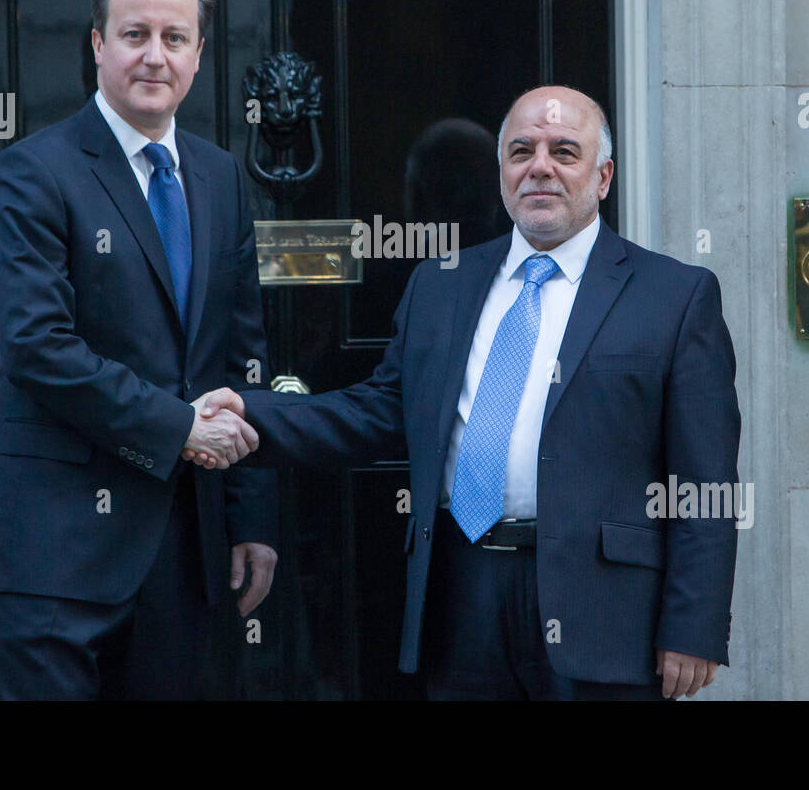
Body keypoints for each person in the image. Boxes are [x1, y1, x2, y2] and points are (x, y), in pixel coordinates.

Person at [193, 86, 741, 700]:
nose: (541, 166)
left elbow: (706, 482)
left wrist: (694, 623)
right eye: (521, 151)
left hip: (605, 607)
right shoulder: (441, 283)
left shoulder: (674, 295)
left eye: (565, 151)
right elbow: (380, 411)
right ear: (502, 171)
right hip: (462, 593)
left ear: (603, 175)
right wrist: (252, 414)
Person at [0, 0, 277, 700]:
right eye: (134, 34)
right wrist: (177, 426)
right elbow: (37, 348)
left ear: (197, 57)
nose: (154, 55)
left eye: (175, 38)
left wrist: (251, 515)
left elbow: (242, 355)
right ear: (98, 46)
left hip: (181, 555)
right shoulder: (35, 170)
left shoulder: (221, 177)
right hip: (50, 553)